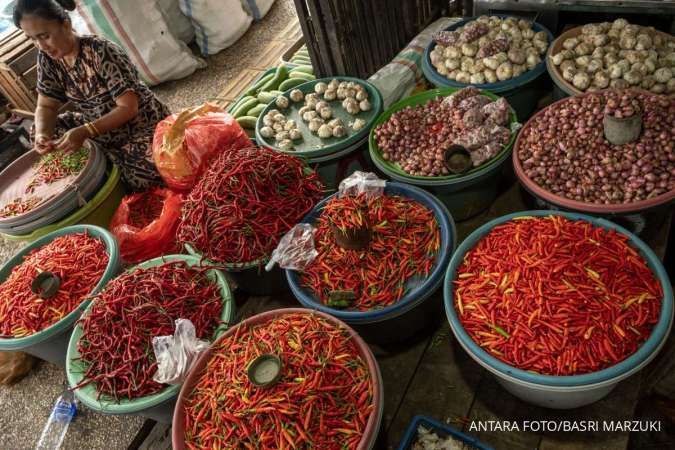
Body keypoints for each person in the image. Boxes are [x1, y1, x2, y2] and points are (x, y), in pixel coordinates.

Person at [14, 0, 171, 191]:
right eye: (32, 39)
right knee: (43, 130)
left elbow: (128, 107)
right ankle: (102, 165)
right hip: (97, 125)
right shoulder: (48, 59)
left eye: (45, 36)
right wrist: (42, 134)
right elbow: (46, 106)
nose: (41, 46)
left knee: (147, 170)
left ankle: (107, 167)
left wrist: (86, 131)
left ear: (66, 24)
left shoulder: (101, 51)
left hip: (139, 126)